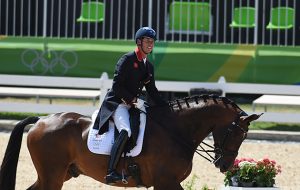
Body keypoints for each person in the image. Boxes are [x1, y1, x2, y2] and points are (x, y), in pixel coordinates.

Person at [92, 27, 167, 185]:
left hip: (134, 105)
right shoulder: (127, 59)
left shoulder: (149, 66)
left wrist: (166, 107)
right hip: (118, 103)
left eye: (152, 42)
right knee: (126, 131)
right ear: (139, 42)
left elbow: (152, 91)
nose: (150, 44)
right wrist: (133, 100)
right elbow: (117, 86)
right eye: (147, 41)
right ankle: (111, 171)